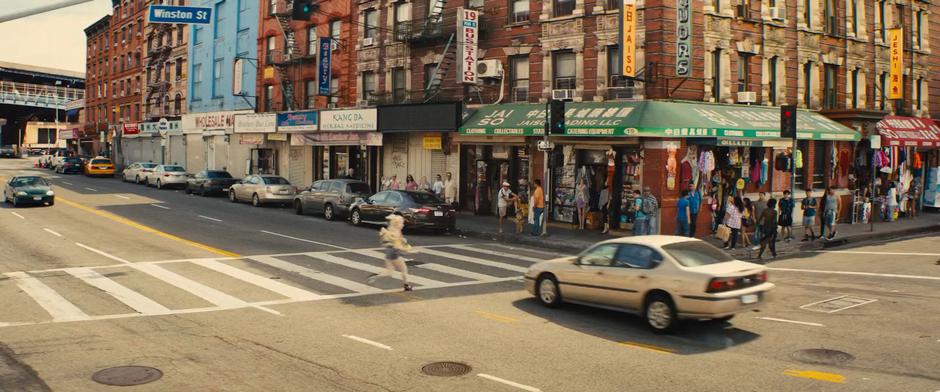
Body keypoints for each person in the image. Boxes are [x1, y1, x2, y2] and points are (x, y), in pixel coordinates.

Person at [368, 214, 414, 291]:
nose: (403, 225)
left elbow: (397, 242)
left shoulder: (392, 229)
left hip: (389, 252)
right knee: (404, 269)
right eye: (402, 223)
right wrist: (407, 250)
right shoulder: (396, 232)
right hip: (394, 253)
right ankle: (406, 286)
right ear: (397, 224)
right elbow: (397, 246)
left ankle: (375, 276)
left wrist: (403, 242)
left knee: (389, 271)